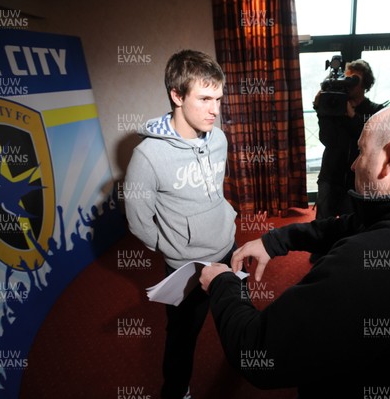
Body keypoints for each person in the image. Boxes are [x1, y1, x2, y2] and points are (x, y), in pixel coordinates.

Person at [199, 99, 390, 398]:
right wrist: (275, 241)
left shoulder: (366, 263)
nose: (353, 164)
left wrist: (223, 282)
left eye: (362, 151)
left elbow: (258, 352)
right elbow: (352, 224)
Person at [124, 49, 237, 399]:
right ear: (177, 95)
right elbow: (138, 220)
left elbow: (215, 191)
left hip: (227, 248)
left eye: (218, 98)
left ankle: (240, 362)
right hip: (186, 266)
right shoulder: (147, 156)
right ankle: (175, 391)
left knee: (234, 316)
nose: (214, 110)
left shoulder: (219, 139)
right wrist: (175, 246)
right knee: (182, 337)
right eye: (204, 98)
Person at [313, 59, 385, 220]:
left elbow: (370, 139)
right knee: (323, 221)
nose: (349, 83)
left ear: (365, 84)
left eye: (355, 79)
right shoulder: (334, 109)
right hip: (330, 174)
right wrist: (321, 111)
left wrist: (352, 116)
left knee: (352, 223)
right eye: (347, 78)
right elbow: (327, 140)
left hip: (357, 177)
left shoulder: (375, 110)